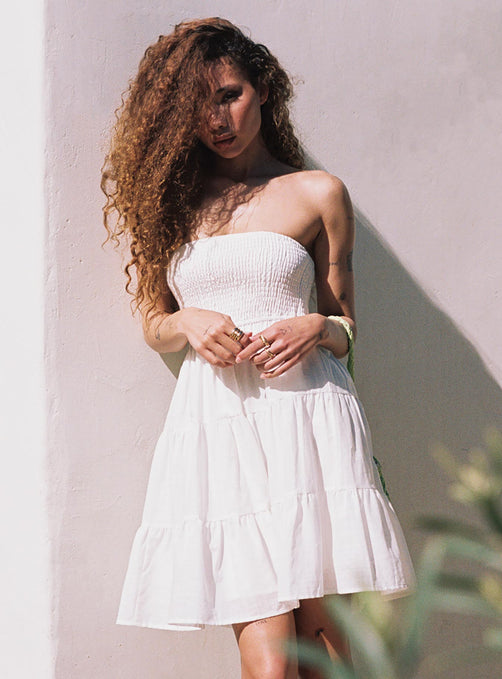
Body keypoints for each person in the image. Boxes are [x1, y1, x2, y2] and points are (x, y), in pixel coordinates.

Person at [101, 16, 415, 679]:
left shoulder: (318, 192)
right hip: (219, 425)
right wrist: (187, 323)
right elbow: (154, 322)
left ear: (263, 89)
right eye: (199, 104)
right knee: (271, 665)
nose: (218, 119)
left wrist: (314, 326)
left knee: (325, 651)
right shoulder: (173, 203)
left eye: (230, 95)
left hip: (307, 417)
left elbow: (346, 326)